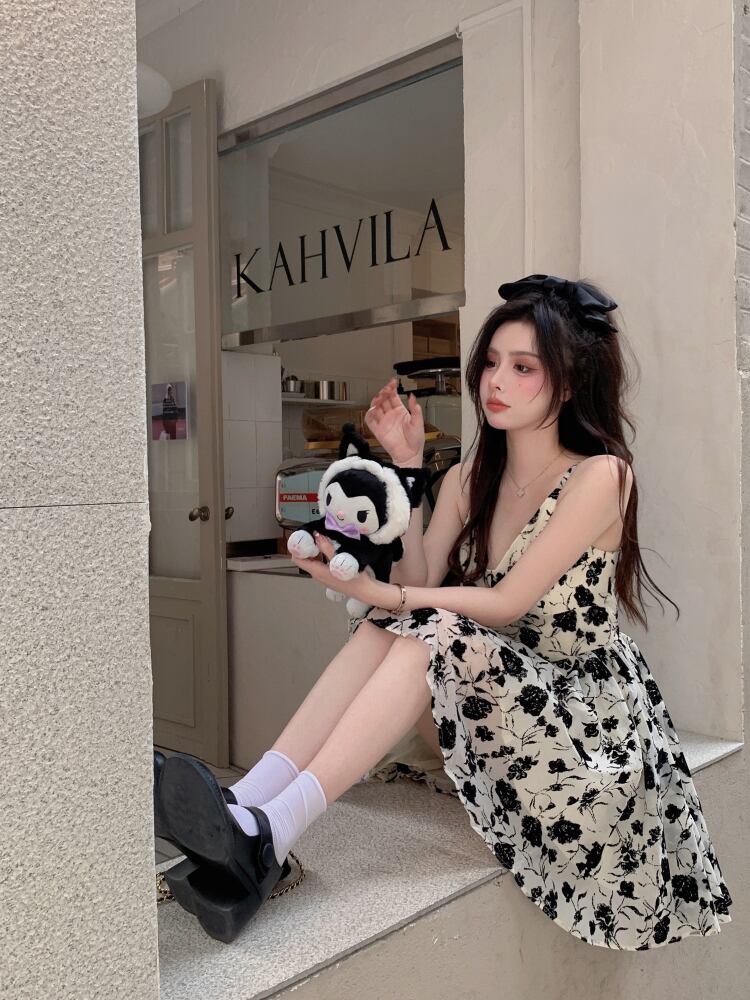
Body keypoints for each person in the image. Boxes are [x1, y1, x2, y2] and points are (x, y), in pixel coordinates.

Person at [155, 274, 733, 948]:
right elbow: (419, 576)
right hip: (494, 701)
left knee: (425, 623)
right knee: (399, 620)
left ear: (569, 384)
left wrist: (393, 597)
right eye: (491, 362)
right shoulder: (466, 479)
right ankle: (249, 802)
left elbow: (506, 602)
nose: (496, 381)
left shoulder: (601, 475)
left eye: (523, 368)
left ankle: (271, 831)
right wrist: (407, 465)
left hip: (579, 724)